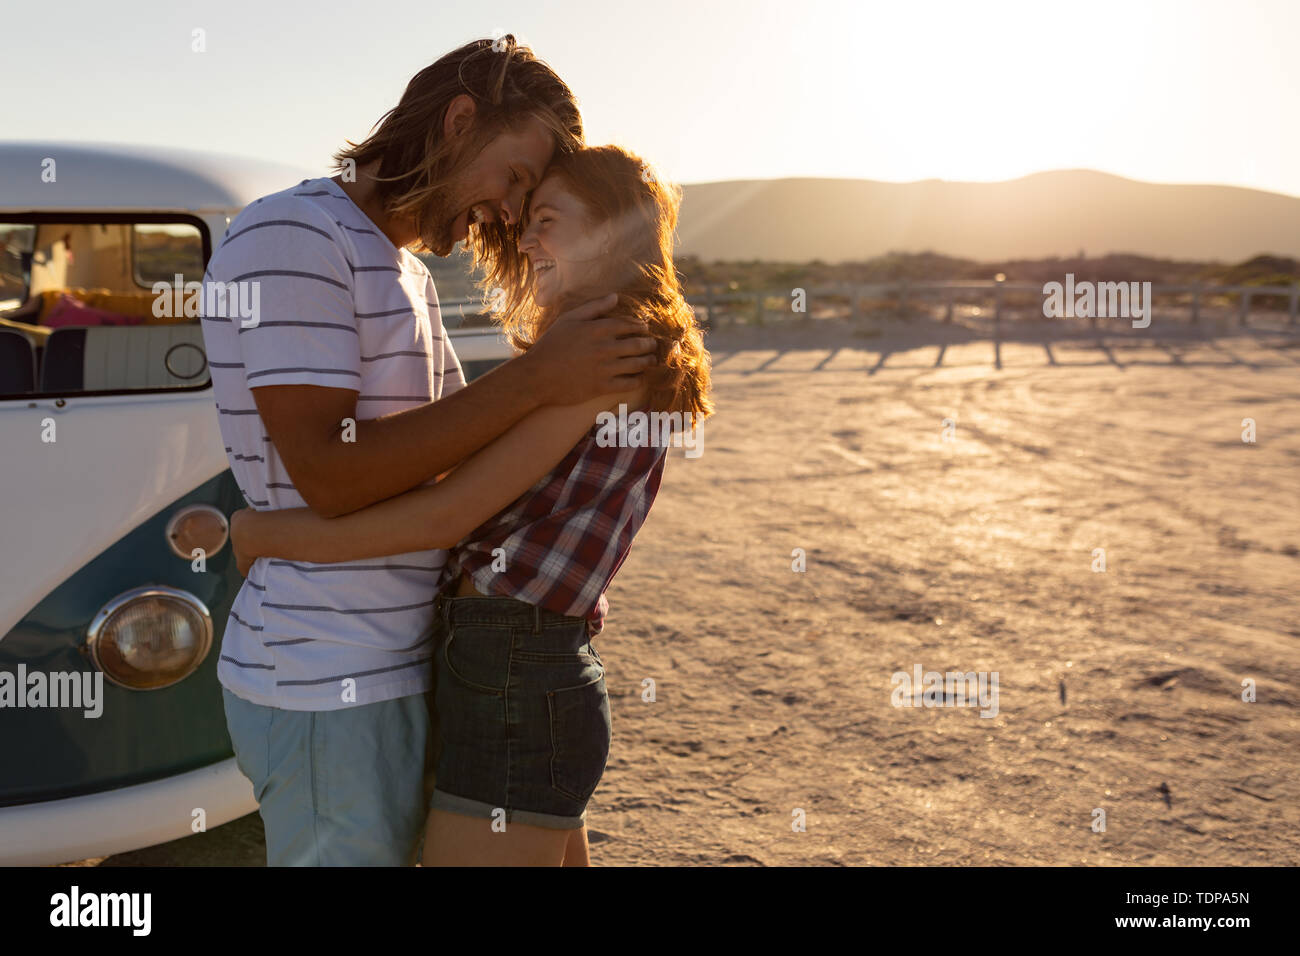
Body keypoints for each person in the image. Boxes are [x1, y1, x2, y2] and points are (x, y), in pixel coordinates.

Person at [200, 37, 656, 867]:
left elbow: (440, 481)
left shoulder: (399, 267)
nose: (512, 215)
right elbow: (329, 472)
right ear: (458, 121)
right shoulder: (295, 236)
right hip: (326, 672)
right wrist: (532, 386)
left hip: (403, 663)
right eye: (515, 179)